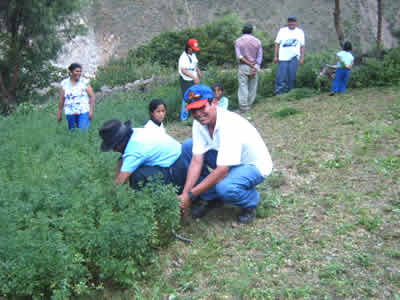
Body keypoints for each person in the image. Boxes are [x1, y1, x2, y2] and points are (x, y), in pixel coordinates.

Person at [178, 84, 273, 224]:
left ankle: (251, 201)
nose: (198, 114)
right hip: (230, 160)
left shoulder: (229, 124)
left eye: (202, 107)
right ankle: (211, 197)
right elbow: (196, 160)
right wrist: (185, 194)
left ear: (214, 103)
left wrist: (191, 195)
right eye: (193, 110)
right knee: (188, 147)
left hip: (253, 165)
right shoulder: (199, 123)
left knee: (225, 187)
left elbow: (222, 171)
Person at [99, 120, 187, 190]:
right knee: (128, 164)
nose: (114, 150)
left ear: (120, 142)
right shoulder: (135, 132)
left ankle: (152, 202)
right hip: (182, 158)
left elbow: (121, 180)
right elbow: (122, 160)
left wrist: (109, 197)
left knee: (137, 176)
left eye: (114, 146)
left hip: (177, 169)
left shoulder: (134, 150)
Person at [57, 63, 95, 130]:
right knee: (72, 131)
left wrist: (91, 111)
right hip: (70, 111)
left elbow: (92, 96)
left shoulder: (84, 82)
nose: (79, 73)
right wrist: (59, 112)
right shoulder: (64, 83)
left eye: (80, 71)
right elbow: (61, 99)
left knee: (83, 131)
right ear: (71, 72)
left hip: (84, 110)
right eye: (77, 71)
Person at [274, 16, 305, 95]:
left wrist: (301, 57)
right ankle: (279, 93)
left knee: (292, 76)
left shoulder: (300, 32)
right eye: (290, 21)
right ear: (287, 22)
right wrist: (275, 56)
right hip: (283, 57)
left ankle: (289, 93)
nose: (291, 23)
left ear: (296, 22)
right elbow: (277, 44)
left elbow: (302, 46)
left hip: (294, 57)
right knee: (281, 76)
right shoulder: (282, 31)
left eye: (293, 21)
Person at [235, 24, 263, 112]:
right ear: (251, 31)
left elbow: (239, 56)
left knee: (243, 86)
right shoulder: (257, 41)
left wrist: (249, 63)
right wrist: (255, 66)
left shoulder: (238, 41)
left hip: (243, 66)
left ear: (242, 31)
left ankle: (244, 107)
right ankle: (250, 104)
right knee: (252, 87)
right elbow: (259, 56)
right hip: (254, 67)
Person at [178, 38, 202, 121]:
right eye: (193, 49)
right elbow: (183, 70)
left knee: (195, 95)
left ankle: (193, 115)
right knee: (187, 97)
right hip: (186, 79)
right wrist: (194, 77)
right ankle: (183, 118)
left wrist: (198, 72)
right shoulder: (183, 57)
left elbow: (195, 64)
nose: (194, 51)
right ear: (189, 48)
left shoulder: (193, 54)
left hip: (193, 76)